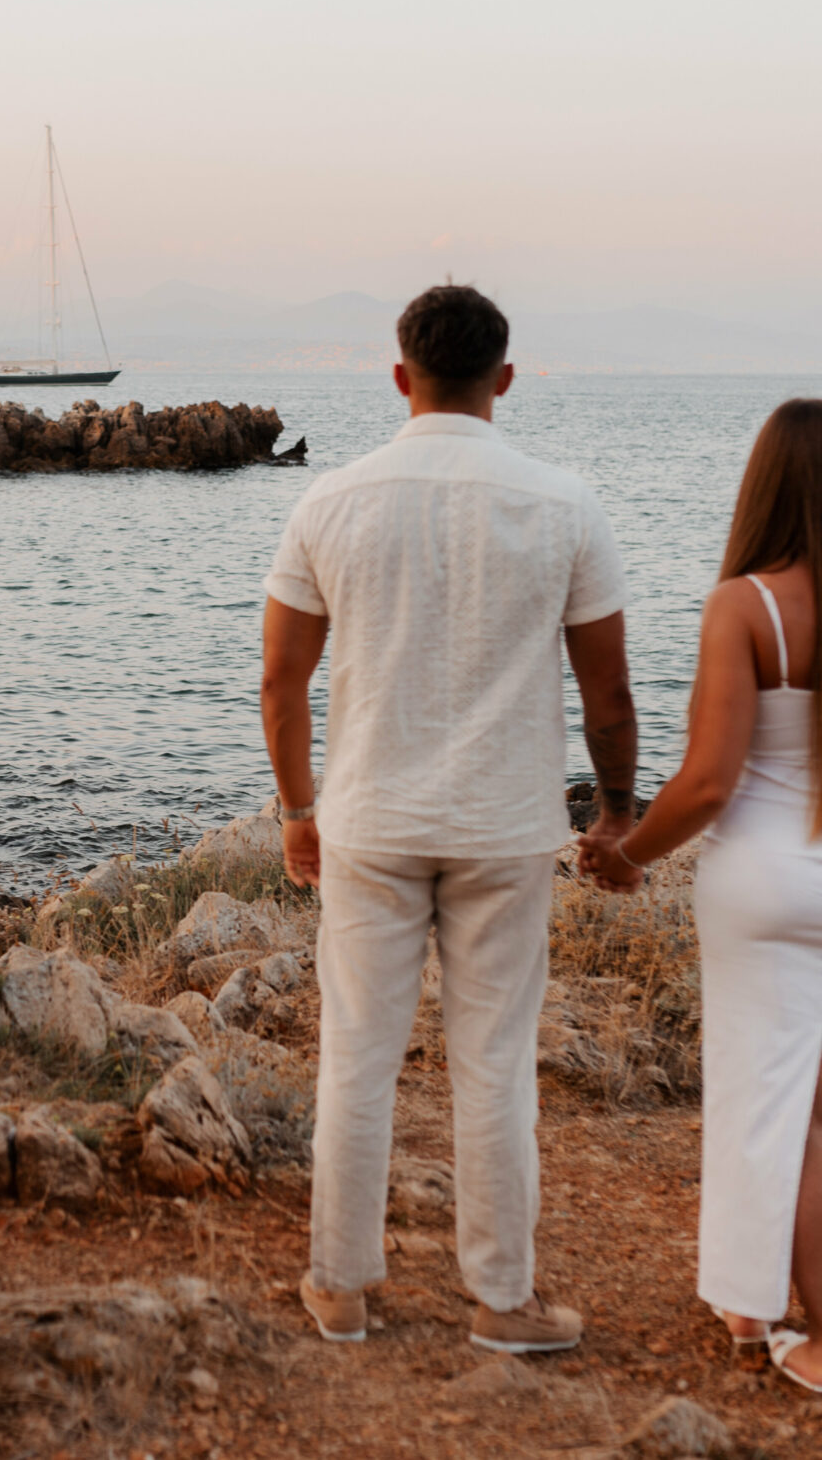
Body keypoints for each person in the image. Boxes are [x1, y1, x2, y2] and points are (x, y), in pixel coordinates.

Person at [261, 284, 640, 1354]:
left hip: (369, 820)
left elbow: (280, 682)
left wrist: (298, 810)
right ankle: (503, 1301)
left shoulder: (328, 502)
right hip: (505, 827)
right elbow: (609, 697)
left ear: (399, 377)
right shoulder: (564, 505)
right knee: (493, 1065)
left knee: (356, 1056)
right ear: (504, 380)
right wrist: (614, 816)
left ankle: (338, 1288)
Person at [578, 398, 822, 1397]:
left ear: (764, 487)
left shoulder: (743, 607)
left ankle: (814, 1337)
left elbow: (708, 782)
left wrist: (629, 854)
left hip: (764, 879)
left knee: (765, 1101)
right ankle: (756, 1303)